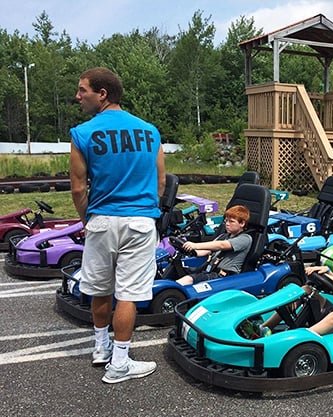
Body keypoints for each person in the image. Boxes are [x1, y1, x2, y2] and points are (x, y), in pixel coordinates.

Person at [70, 67, 165, 383]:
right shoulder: (150, 132)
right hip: (139, 221)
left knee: (99, 287)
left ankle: (101, 349)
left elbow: (78, 187)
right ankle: (119, 363)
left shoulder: (82, 134)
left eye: (83, 90)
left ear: (102, 94)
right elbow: (161, 181)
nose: (78, 96)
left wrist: (88, 218)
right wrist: (149, 211)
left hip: (101, 220)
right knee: (127, 294)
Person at [175, 205, 252, 285]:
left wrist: (195, 245)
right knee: (177, 269)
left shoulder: (245, 239)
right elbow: (206, 251)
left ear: (242, 223)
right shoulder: (223, 236)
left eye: (231, 221)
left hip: (223, 277)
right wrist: (189, 250)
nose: (227, 224)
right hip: (210, 271)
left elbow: (221, 245)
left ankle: (169, 293)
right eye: (226, 221)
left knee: (188, 279)